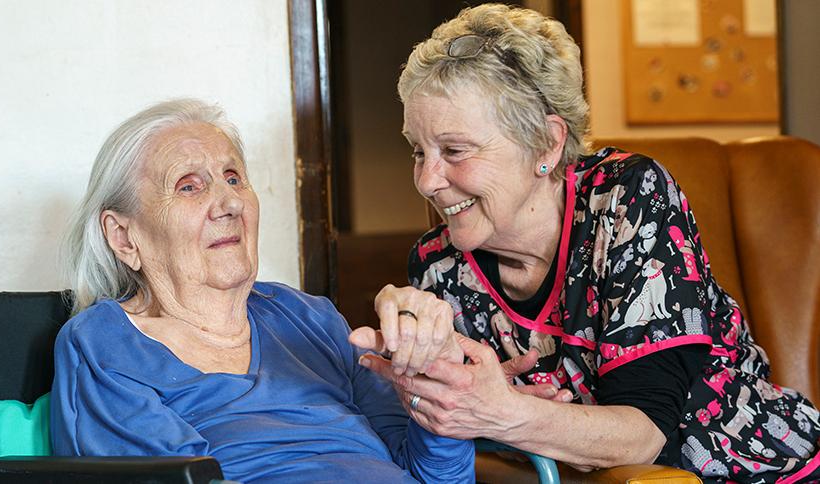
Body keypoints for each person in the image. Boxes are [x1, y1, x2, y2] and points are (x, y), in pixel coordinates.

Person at [350, 4, 820, 482]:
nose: (427, 181)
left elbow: (644, 435)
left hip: (769, 473)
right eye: (418, 151)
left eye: (454, 150)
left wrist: (506, 414)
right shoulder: (438, 268)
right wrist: (420, 382)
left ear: (547, 144)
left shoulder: (626, 202)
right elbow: (462, 432)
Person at [50, 99, 475, 483]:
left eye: (234, 178)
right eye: (188, 186)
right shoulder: (105, 344)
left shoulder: (310, 319)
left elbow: (435, 476)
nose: (229, 202)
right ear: (124, 237)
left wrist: (433, 387)